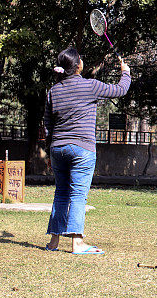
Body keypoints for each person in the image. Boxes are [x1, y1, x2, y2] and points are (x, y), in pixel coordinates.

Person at [43, 47, 130, 254]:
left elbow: (47, 124)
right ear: (78, 66)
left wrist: (49, 150)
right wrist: (125, 72)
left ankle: (54, 243)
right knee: (78, 195)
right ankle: (77, 243)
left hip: (58, 148)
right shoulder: (89, 86)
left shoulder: (53, 91)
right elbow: (120, 90)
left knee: (61, 193)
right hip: (82, 148)